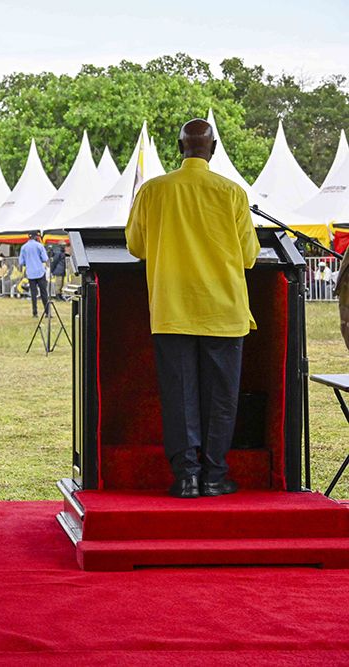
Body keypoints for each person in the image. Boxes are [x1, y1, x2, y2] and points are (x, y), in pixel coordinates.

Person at [126, 118, 260, 499]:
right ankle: (215, 475)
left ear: (178, 146)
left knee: (179, 395)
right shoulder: (232, 192)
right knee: (221, 397)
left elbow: (136, 246)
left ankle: (186, 478)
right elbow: (249, 256)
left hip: (173, 308)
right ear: (213, 148)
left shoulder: (152, 191)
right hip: (224, 309)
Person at [19, 231, 49, 317]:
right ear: (36, 237)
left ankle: (35, 313)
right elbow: (45, 258)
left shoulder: (24, 247)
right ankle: (47, 312)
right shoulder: (39, 246)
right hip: (40, 271)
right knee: (44, 292)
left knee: (33, 293)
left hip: (30, 272)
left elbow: (21, 261)